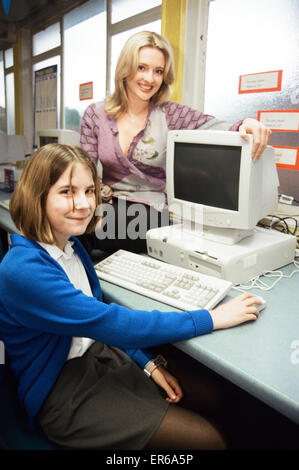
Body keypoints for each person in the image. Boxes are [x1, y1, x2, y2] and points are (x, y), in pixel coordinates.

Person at [0, 143, 264, 450]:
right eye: (67, 192)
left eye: (89, 191)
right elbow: (109, 322)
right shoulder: (22, 270)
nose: (84, 204)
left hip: (97, 356)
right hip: (61, 391)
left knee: (215, 396)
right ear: (37, 195)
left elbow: (97, 321)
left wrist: (146, 363)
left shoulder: (69, 246)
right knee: (208, 440)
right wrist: (210, 318)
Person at [79, 30, 272, 255]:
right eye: (141, 67)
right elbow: (83, 172)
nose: (149, 79)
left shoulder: (171, 114)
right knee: (74, 223)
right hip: (106, 204)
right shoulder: (95, 114)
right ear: (125, 67)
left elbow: (217, 126)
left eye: (158, 71)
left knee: (94, 232)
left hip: (149, 212)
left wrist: (247, 122)